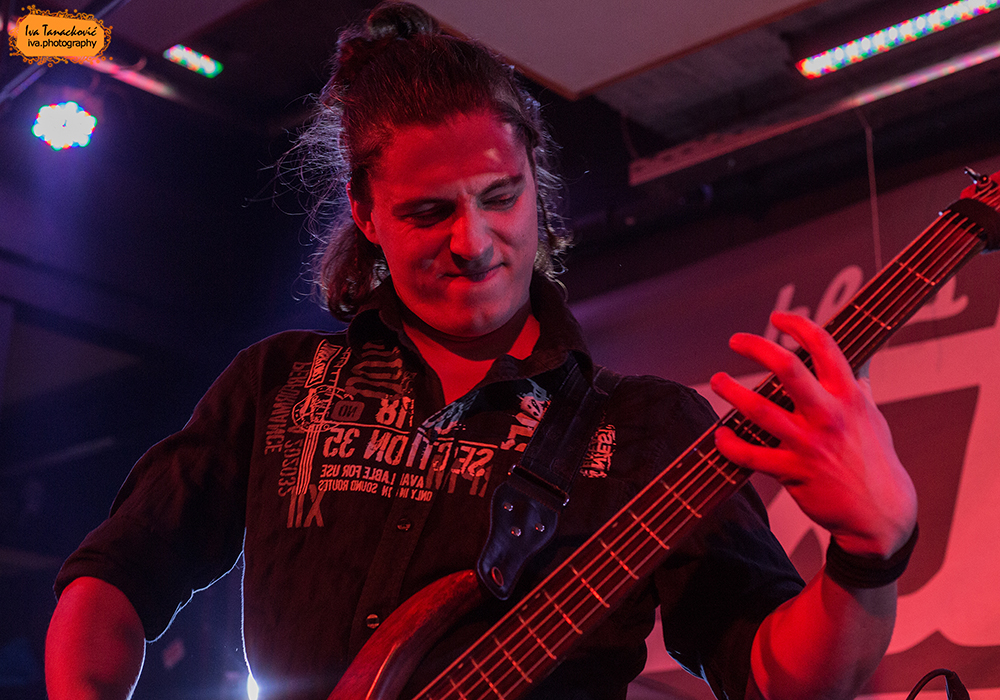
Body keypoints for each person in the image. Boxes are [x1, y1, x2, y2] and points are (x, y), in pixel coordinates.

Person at [44, 3, 918, 700]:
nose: (473, 241)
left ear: (536, 182)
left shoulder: (647, 430)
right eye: (429, 212)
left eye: (501, 197)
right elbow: (116, 574)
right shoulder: (280, 385)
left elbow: (779, 680)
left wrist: (869, 553)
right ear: (366, 212)